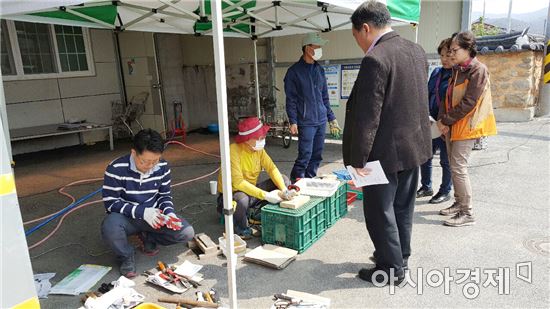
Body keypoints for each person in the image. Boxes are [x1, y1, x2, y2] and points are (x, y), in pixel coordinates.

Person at [343, 1, 431, 285]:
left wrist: (357, 163)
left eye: (356, 36)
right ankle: (398, 255)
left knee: (379, 213)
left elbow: (367, 118)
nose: (358, 43)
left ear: (365, 28)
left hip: (381, 155)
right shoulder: (416, 51)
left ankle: (391, 271)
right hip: (413, 148)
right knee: (403, 207)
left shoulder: (375, 59)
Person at [101, 129, 194, 278]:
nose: (150, 166)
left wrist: (169, 213)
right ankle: (126, 255)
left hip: (155, 216)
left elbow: (164, 196)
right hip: (127, 217)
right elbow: (111, 204)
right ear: (133, 153)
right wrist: (142, 212)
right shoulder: (116, 168)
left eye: (154, 161)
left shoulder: (162, 167)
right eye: (144, 161)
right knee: (110, 226)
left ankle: (148, 237)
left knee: (186, 232)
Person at [437, 31, 497, 227]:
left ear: (468, 49)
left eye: (455, 50)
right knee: (454, 167)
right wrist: (443, 121)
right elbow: (448, 98)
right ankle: (458, 202)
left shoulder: (478, 70)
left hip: (467, 127)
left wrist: (445, 120)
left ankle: (467, 212)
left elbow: (469, 102)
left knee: (459, 167)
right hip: (452, 125)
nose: (451, 54)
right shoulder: (458, 69)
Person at [217, 117, 291, 238]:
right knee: (241, 199)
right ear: (247, 139)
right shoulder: (232, 151)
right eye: (260, 138)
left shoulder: (258, 150)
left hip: (251, 191)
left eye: (263, 137)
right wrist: (266, 195)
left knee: (284, 180)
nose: (263, 140)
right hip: (231, 196)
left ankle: (257, 215)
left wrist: (284, 189)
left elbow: (272, 168)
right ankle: (241, 228)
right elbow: (238, 183)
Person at [284, 32, 341, 182]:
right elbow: (291, 99)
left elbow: (325, 97)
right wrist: (293, 120)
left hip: (321, 120)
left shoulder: (319, 70)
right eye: (318, 47)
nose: (320, 50)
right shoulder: (294, 72)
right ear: (308, 48)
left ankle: (310, 179)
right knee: (305, 155)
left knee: (317, 154)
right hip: (305, 121)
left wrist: (332, 118)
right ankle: (297, 181)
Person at [416, 38, 454, 204]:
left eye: (448, 55)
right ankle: (426, 186)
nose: (444, 59)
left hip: (446, 125)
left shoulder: (458, 75)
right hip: (430, 123)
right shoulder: (437, 72)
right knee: (425, 156)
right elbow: (426, 93)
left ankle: (445, 190)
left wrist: (445, 122)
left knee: (446, 161)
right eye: (442, 55)